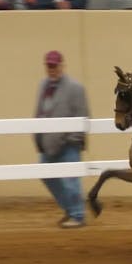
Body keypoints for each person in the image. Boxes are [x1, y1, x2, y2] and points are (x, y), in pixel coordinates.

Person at [34, 50, 90, 228]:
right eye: (49, 66)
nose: (52, 69)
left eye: (55, 65)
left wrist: (73, 139)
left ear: (62, 66)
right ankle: (70, 209)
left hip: (68, 144)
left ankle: (78, 215)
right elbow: (39, 112)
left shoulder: (76, 88)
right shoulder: (43, 85)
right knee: (46, 176)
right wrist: (38, 138)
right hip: (48, 144)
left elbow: (83, 115)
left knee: (71, 181)